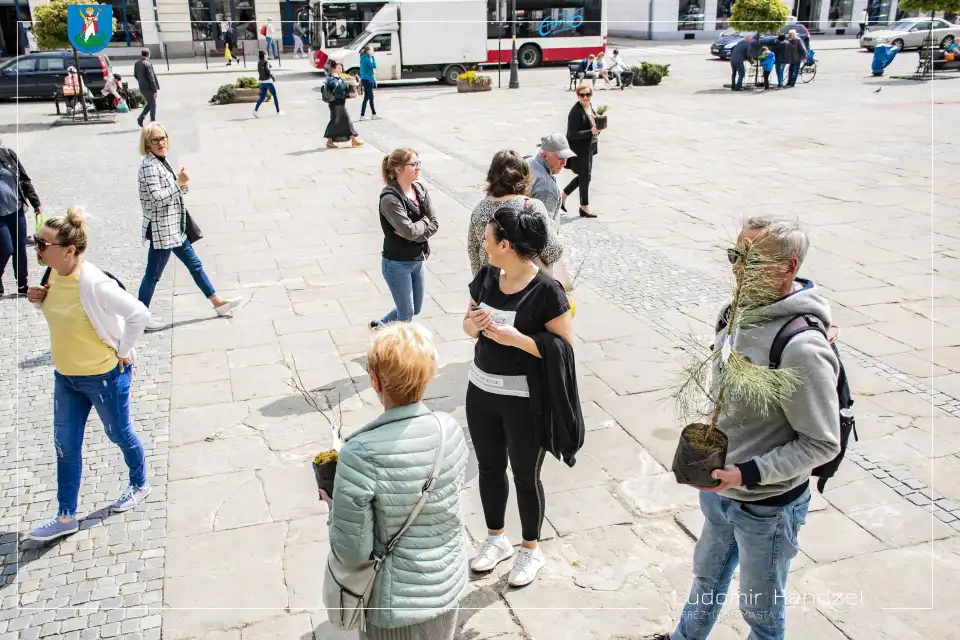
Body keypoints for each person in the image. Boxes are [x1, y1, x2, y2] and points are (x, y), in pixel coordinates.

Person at [645, 217, 840, 640]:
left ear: (788, 267)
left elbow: (821, 442)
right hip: (719, 494)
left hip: (767, 506)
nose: (737, 268)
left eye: (752, 260)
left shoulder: (801, 346)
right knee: (706, 579)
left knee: (761, 610)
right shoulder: (731, 313)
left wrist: (747, 473)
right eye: (736, 255)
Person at [322, 322, 469, 639]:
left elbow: (351, 553)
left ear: (375, 379)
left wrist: (335, 506)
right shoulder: (449, 430)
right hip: (448, 586)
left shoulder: (359, 454)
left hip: (396, 604)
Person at [24, 208, 152, 542]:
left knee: (118, 434)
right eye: (36, 242)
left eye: (43, 243)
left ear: (69, 249)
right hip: (65, 378)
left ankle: (140, 483)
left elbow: (139, 313)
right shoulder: (51, 275)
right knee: (65, 446)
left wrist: (124, 351)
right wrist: (38, 301)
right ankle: (66, 516)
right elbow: (66, 318)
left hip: (103, 377)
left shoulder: (94, 282)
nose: (37, 249)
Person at [464, 207, 575, 587]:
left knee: (526, 475)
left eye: (488, 237)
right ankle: (496, 539)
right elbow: (466, 323)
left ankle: (531, 548)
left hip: (524, 400)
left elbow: (565, 347)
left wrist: (520, 341)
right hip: (480, 391)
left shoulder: (547, 290)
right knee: (489, 468)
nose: (484, 242)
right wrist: (475, 325)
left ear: (506, 244)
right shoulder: (486, 276)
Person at [136, 123, 243, 330]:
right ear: (147, 144)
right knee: (153, 274)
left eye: (163, 138)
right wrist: (178, 184)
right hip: (163, 231)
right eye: (155, 140)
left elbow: (172, 194)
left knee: (194, 265)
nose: (161, 143)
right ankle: (140, 316)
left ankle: (218, 303)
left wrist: (181, 186)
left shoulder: (160, 161)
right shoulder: (149, 166)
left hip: (173, 228)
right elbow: (158, 199)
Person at [467, 150, 563, 277]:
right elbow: (553, 251)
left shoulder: (479, 209)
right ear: (524, 177)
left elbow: (473, 252)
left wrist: (480, 289)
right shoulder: (530, 207)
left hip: (490, 289)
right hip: (525, 290)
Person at [371, 149, 438, 329]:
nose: (418, 167)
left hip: (418, 258)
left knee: (415, 308)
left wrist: (417, 228)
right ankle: (396, 352)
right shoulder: (390, 199)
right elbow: (409, 231)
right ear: (399, 169)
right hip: (397, 263)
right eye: (413, 164)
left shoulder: (420, 189)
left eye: (418, 163)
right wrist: (422, 225)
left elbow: (434, 223)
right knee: (406, 314)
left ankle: (380, 325)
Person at [0, 139, 42, 296]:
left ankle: (22, 285)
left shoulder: (9, 154)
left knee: (20, 248)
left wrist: (35, 202)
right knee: (6, 248)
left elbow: (24, 180)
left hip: (15, 209)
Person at [562, 84, 600, 219]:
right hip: (579, 149)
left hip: (589, 147)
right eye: (581, 95)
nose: (585, 97)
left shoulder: (589, 107)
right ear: (577, 95)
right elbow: (572, 134)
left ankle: (563, 195)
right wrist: (591, 131)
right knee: (585, 177)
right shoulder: (576, 112)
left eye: (587, 95)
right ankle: (584, 207)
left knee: (586, 176)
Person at [529, 133, 576, 221]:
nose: (564, 163)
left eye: (566, 157)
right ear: (544, 155)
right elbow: (543, 229)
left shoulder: (527, 161)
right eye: (560, 157)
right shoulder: (547, 188)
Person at [324, 61, 364, 148]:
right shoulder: (331, 78)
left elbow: (343, 90)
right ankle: (329, 140)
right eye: (338, 68)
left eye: (341, 68)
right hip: (335, 104)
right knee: (335, 121)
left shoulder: (339, 78)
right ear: (333, 69)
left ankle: (353, 140)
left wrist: (349, 92)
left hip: (341, 103)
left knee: (347, 121)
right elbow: (336, 89)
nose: (340, 69)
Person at [134, 48, 159, 128]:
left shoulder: (137, 63)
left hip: (142, 87)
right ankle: (153, 122)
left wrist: (141, 82)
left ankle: (141, 118)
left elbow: (135, 75)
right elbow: (151, 77)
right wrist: (155, 89)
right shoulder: (147, 64)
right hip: (149, 88)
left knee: (150, 103)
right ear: (148, 54)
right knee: (153, 105)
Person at [253, 50, 282, 117]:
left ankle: (255, 110)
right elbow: (267, 69)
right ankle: (278, 111)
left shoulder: (259, 62)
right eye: (266, 54)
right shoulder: (266, 62)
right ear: (264, 56)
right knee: (274, 95)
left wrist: (268, 64)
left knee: (262, 96)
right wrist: (272, 76)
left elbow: (263, 69)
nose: (267, 55)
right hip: (268, 81)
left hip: (261, 82)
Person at [359, 45, 379, 120]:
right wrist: (373, 57)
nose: (372, 51)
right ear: (367, 51)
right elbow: (374, 65)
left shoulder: (363, 57)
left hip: (365, 79)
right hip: (367, 79)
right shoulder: (367, 58)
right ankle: (362, 115)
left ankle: (373, 114)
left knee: (370, 97)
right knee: (367, 97)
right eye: (371, 50)